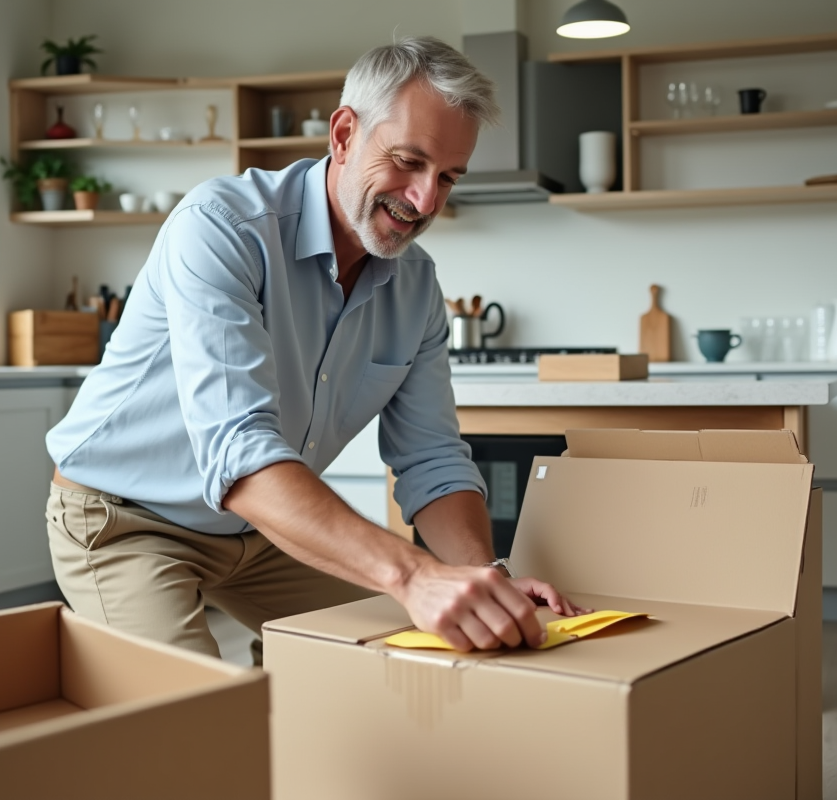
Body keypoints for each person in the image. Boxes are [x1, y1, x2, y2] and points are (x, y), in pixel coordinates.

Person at [44, 36, 582, 662]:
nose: (425, 200)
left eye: (447, 178)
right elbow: (239, 452)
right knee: (195, 707)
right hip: (126, 519)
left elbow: (431, 457)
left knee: (398, 659)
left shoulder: (416, 287)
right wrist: (413, 574)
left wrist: (483, 577)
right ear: (345, 134)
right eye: (408, 162)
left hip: (265, 531)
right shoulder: (220, 228)